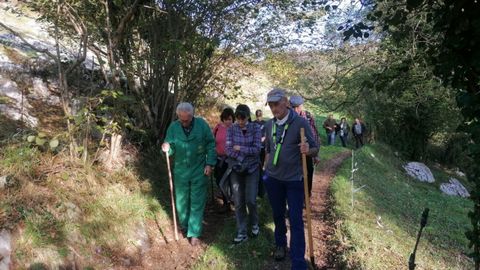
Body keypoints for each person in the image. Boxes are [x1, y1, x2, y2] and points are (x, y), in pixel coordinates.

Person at [263, 88, 319, 269]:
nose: (273, 108)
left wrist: (307, 150)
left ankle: (298, 261)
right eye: (270, 105)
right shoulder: (269, 125)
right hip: (273, 178)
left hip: (295, 179)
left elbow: (315, 148)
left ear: (286, 102)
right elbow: (269, 149)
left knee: (295, 218)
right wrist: (266, 167)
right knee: (278, 215)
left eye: (276, 104)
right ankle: (280, 243)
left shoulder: (301, 122)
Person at [161, 102, 216, 246]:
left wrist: (209, 163)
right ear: (178, 116)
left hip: (199, 169)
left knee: (197, 201)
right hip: (180, 171)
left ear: (192, 115)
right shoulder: (173, 127)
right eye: (181, 119)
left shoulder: (202, 125)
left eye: (187, 119)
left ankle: (194, 233)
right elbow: (170, 147)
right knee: (181, 201)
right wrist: (167, 147)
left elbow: (211, 144)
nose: (184, 122)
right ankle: (185, 226)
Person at [226, 104, 262, 244]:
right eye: (238, 119)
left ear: (248, 117)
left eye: (243, 119)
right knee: (239, 202)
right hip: (236, 168)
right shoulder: (231, 129)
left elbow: (257, 149)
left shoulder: (256, 128)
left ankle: (254, 223)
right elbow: (228, 149)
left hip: (253, 169)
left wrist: (240, 148)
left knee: (251, 200)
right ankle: (242, 232)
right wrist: (242, 158)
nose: (240, 122)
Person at [289, 95, 320, 198]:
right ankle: (294, 198)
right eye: (292, 107)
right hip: (292, 152)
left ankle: (306, 196)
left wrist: (315, 154)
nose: (295, 110)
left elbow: (314, 135)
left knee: (308, 173)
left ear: (300, 106)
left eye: (297, 107)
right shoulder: (287, 117)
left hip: (306, 151)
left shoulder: (308, 117)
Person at [213, 107, 235, 212]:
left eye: (230, 119)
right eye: (226, 119)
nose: (228, 121)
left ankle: (228, 203)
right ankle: (227, 200)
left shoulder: (235, 129)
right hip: (218, 159)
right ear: (223, 119)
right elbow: (211, 140)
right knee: (218, 180)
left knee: (226, 182)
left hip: (230, 160)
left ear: (233, 119)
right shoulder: (218, 127)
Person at [254, 109, 267, 198]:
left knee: (261, 165)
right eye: (257, 116)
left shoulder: (265, 123)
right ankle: (257, 185)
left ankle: (261, 188)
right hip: (255, 147)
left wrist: (264, 138)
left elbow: (267, 134)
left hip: (263, 147)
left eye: (260, 116)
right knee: (256, 165)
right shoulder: (253, 123)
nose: (259, 117)